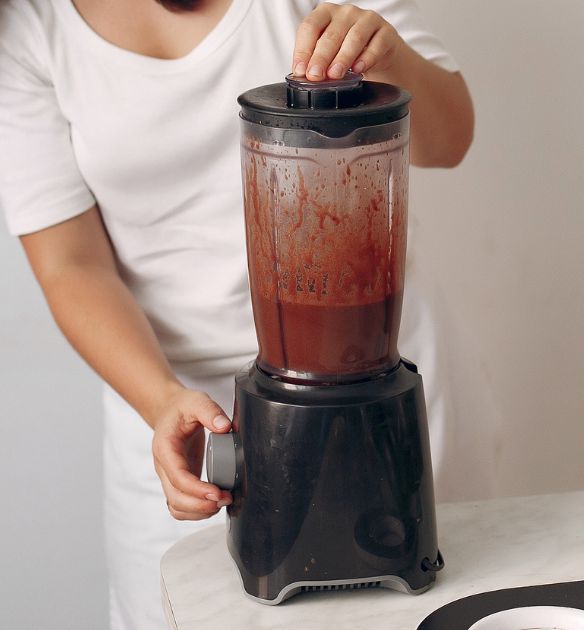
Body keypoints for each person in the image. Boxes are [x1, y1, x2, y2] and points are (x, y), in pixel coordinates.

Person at [0, 1, 473, 628]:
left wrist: (390, 59)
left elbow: (450, 139)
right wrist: (162, 402)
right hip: (178, 419)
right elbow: (71, 265)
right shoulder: (27, 27)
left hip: (379, 368)